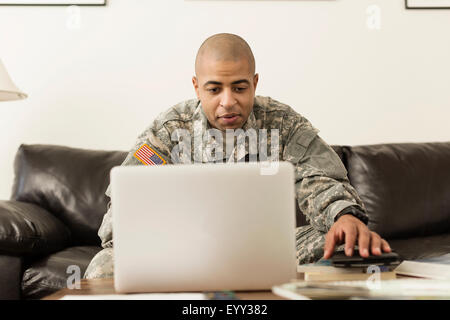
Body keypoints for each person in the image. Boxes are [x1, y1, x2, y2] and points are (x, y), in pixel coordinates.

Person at [84, 33, 391, 279]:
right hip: (179, 253)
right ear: (197, 87)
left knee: (345, 250)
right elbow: (125, 210)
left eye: (239, 88)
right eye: (214, 89)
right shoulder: (168, 130)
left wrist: (345, 216)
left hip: (263, 251)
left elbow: (321, 180)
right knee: (104, 267)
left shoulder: (283, 124)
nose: (228, 102)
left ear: (254, 83)